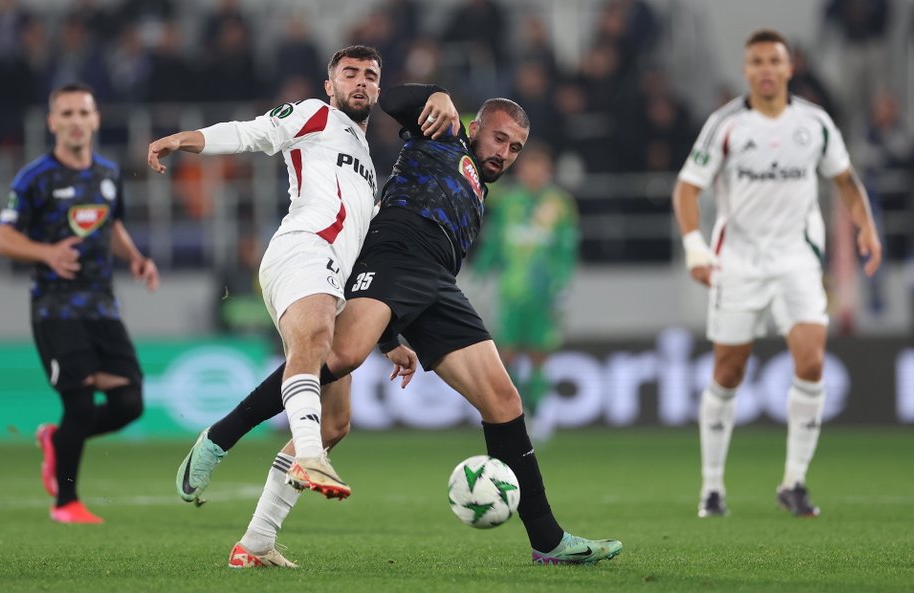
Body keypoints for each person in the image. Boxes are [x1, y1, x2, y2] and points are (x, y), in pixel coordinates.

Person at [183, 84, 622, 568]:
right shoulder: (443, 135)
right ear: (475, 127)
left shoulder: (478, 182)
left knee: (502, 401)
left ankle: (548, 541)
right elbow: (391, 100)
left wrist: (392, 337)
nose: (505, 153)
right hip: (396, 254)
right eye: (498, 139)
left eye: (514, 147)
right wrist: (435, 95)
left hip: (438, 284)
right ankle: (220, 436)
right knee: (341, 356)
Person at [147, 46, 455, 503]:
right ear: (331, 87)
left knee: (335, 424)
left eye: (370, 75)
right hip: (303, 249)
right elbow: (252, 133)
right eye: (349, 74)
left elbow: (361, 254)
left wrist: (389, 340)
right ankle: (308, 457)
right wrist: (186, 139)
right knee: (313, 340)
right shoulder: (315, 115)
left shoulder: (368, 167)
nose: (361, 81)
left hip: (337, 276)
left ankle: (256, 534)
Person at [672, 29, 882, 518]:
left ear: (790, 68)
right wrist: (695, 247)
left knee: (811, 364)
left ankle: (794, 482)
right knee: (729, 371)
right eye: (757, 61)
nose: (766, 69)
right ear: (746, 70)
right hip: (738, 262)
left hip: (798, 259)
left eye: (774, 60)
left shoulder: (815, 123)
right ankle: (712, 487)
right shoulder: (725, 125)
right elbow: (687, 188)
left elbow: (845, 180)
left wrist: (866, 227)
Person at [0, 82, 159, 524]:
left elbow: (112, 226)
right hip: (55, 307)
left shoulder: (107, 173)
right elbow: (2, 238)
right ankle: (66, 503)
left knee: (129, 404)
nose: (75, 122)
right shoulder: (35, 178)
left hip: (102, 305)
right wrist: (46, 252)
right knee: (81, 404)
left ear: (96, 119)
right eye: (65, 114)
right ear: (52, 123)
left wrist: (137, 258)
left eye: (82, 113)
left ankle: (55, 439)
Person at [471, 141, 580, 442]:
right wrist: (480, 273)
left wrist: (562, 284)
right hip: (510, 292)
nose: (533, 173)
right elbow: (493, 243)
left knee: (537, 358)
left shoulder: (561, 204)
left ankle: (539, 414)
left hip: (542, 294)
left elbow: (566, 248)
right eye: (529, 167)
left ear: (548, 171)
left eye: (539, 168)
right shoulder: (508, 202)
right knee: (504, 357)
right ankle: (511, 416)